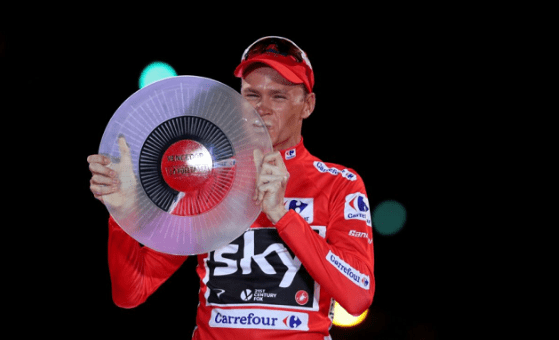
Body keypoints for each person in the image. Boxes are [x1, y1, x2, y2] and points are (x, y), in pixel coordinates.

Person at [87, 36, 374, 340]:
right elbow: (131, 293)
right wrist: (122, 214)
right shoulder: (208, 180)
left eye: (278, 96)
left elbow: (357, 297)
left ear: (307, 105)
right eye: (252, 95)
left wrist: (281, 215)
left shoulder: (339, 183)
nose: (262, 108)